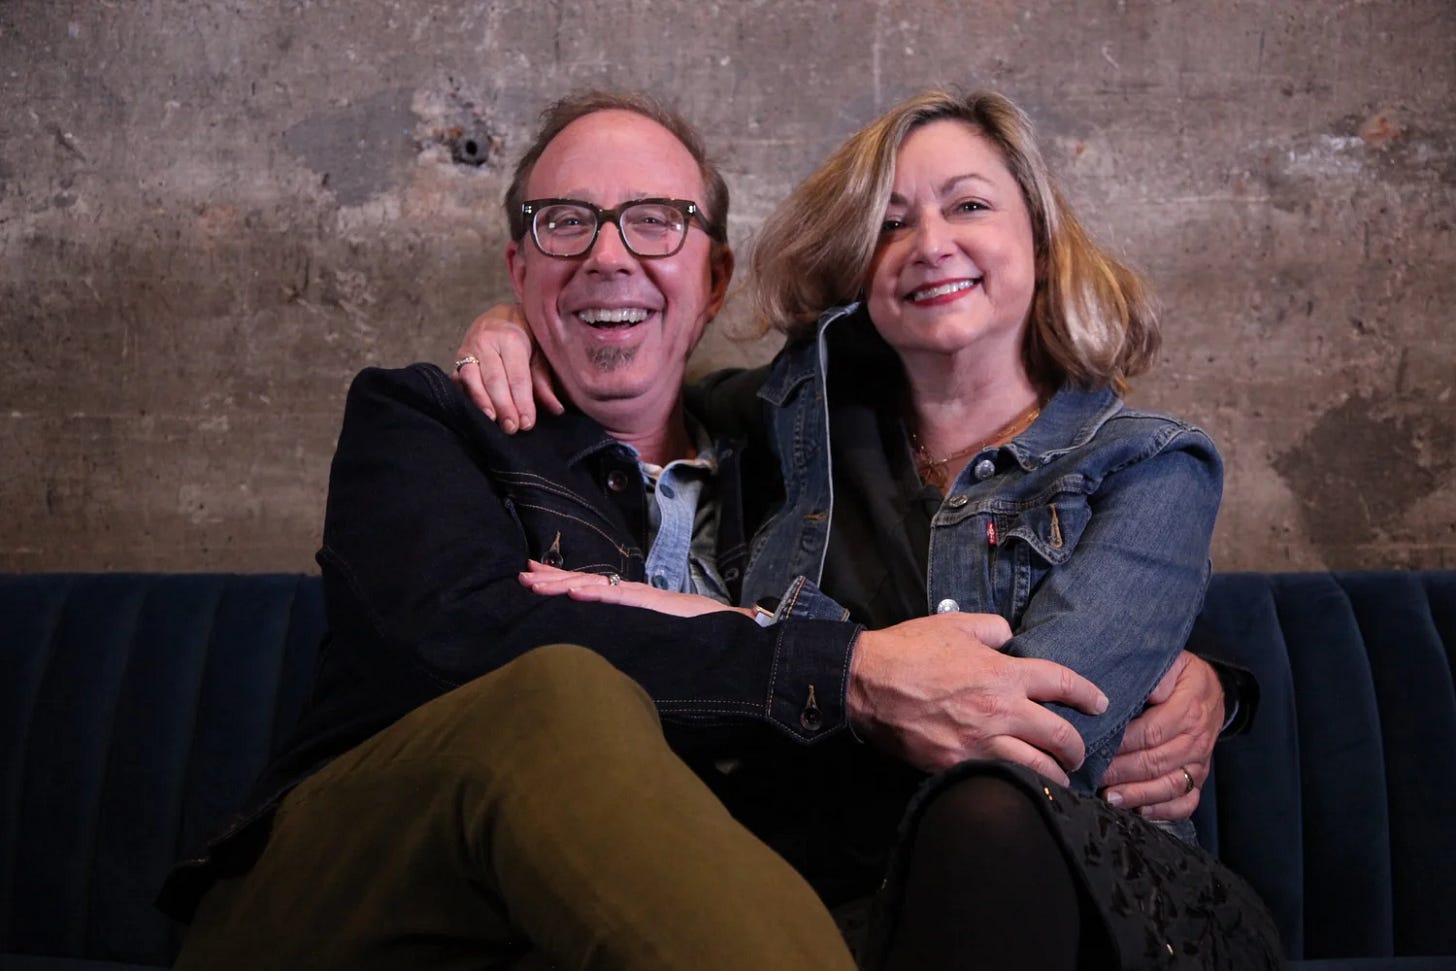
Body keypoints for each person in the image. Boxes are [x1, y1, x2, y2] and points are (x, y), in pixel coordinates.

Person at [159, 89, 1126, 971]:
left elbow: (984, 558)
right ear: (519, 267)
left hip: (628, 929)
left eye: (655, 221)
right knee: (559, 695)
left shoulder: (797, 465)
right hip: (353, 898)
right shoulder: (425, 422)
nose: (608, 255)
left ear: (715, 279)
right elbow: (453, 638)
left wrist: (1183, 674)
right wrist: (842, 671)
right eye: (565, 222)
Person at [455, 89, 1280, 968]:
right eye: (890, 224)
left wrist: (725, 623)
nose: (930, 244)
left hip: (1083, 890)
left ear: (1040, 241)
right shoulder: (800, 419)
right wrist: (515, 328)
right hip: (840, 892)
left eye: (969, 205)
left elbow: (1027, 731)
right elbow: (644, 389)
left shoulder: (1151, 463)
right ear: (860, 270)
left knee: (988, 810)